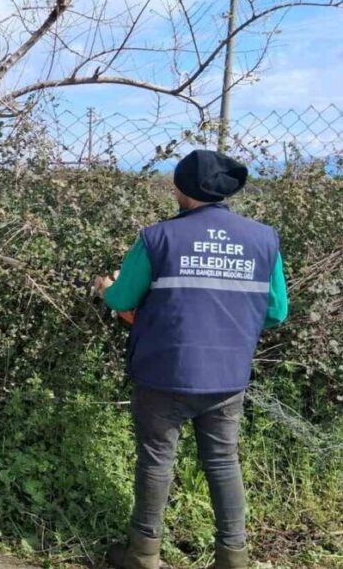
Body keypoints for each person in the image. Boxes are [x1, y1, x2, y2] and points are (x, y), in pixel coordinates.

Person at [94, 150, 289, 569]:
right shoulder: (264, 239)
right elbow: (276, 312)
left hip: (163, 372)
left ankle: (143, 555)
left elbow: (124, 298)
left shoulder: (157, 237)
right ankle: (233, 556)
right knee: (222, 461)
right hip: (228, 375)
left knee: (156, 460)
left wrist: (105, 286)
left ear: (180, 188)